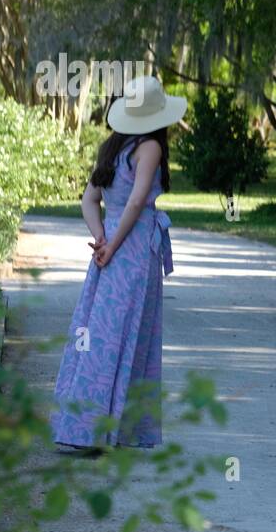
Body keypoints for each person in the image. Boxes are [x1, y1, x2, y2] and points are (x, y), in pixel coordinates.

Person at [51, 75, 184, 451]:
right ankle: (103, 428)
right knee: (127, 336)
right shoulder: (150, 148)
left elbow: (88, 200)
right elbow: (138, 201)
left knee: (98, 333)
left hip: (111, 246)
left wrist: (102, 238)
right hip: (135, 248)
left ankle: (84, 424)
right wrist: (115, 243)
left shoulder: (113, 147)